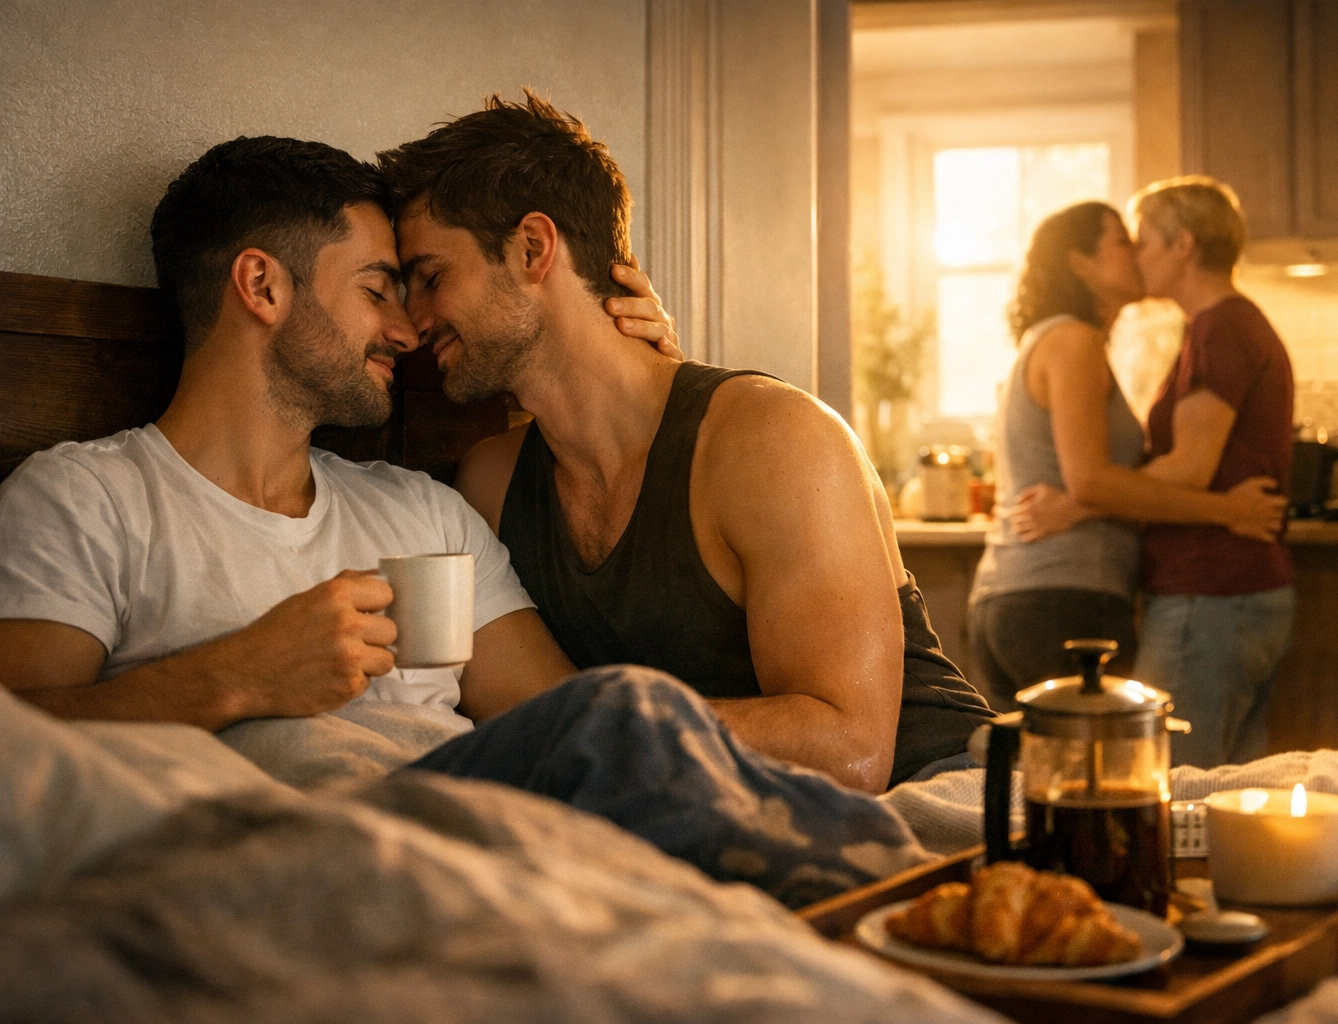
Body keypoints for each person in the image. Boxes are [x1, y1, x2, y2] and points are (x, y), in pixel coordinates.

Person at [0, 136, 926, 906]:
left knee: (618, 713)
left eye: (421, 284)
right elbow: (17, 745)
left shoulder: (428, 508)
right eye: (379, 288)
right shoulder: (84, 501)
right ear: (263, 287)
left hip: (486, 857)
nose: (407, 328)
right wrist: (234, 676)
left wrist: (641, 383)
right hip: (289, 863)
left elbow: (561, 726)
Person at [379, 91, 994, 792]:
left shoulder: (776, 442)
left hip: (937, 796)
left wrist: (594, 731)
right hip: (719, 821)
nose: (413, 320)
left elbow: (847, 751)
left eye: (430, 278)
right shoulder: (492, 483)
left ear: (531, 249)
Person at [1013, 178, 1296, 768]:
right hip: (1227, 588)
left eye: (1143, 242)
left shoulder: (1221, 327)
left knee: (1167, 778)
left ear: (1183, 246)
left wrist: (1080, 502)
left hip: (1211, 588)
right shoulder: (1215, 328)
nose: (1137, 257)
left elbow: (1191, 468)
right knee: (1220, 790)